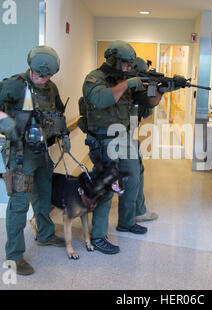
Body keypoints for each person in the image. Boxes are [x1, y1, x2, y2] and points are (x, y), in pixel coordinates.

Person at [0, 46, 70, 275]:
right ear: (30, 67)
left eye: (46, 76)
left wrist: (65, 135)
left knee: (44, 196)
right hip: (20, 154)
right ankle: (14, 256)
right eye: (37, 74)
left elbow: (58, 111)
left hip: (42, 152)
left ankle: (45, 235)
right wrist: (0, 116)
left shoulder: (50, 87)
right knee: (19, 206)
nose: (40, 79)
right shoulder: (15, 84)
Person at [79, 41, 179, 254]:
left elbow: (148, 102)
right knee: (106, 190)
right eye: (125, 64)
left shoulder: (126, 80)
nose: (127, 68)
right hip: (104, 140)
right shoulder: (95, 79)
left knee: (132, 180)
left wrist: (163, 90)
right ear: (113, 60)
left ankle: (126, 221)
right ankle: (97, 236)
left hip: (124, 138)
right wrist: (127, 83)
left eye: (130, 64)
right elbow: (102, 99)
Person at [129, 57, 158, 223]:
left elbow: (145, 113)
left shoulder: (134, 91)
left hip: (128, 136)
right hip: (118, 138)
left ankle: (139, 210)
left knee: (137, 170)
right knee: (134, 173)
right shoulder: (122, 88)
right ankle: (138, 212)